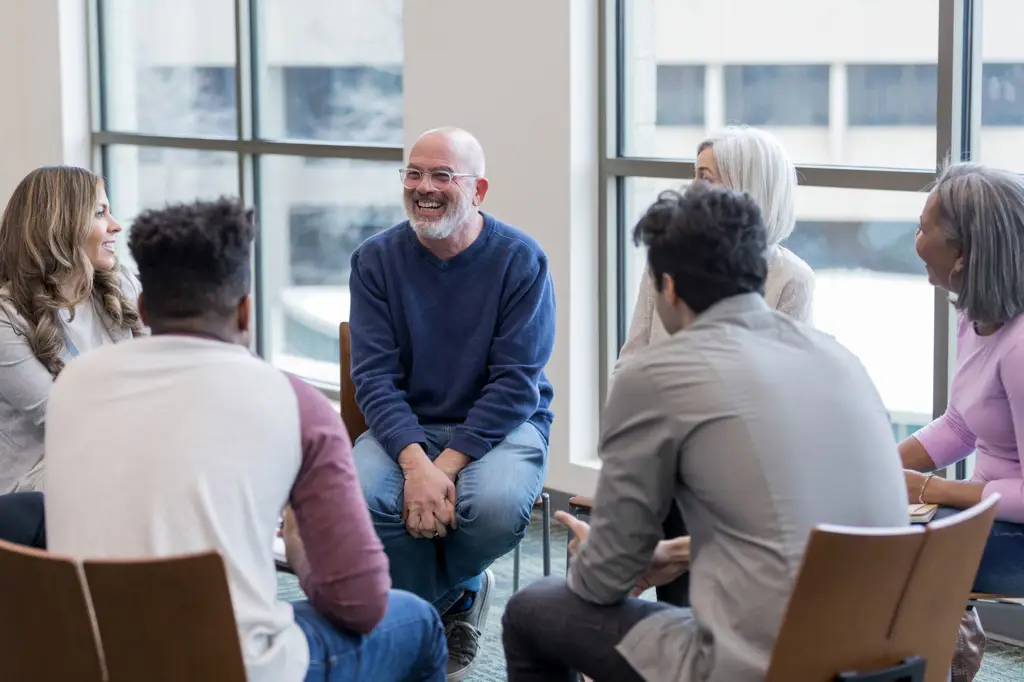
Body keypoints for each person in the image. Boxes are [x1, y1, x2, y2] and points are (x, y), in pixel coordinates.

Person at [502, 184, 908, 682]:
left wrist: (594, 560)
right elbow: (800, 524)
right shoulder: (841, 359)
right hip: (876, 655)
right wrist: (677, 551)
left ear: (667, 288)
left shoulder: (656, 374)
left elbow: (602, 581)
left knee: (532, 609)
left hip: (761, 664)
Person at [44, 198, 446, 682]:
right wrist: (298, 544)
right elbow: (359, 604)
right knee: (418, 621)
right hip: (227, 666)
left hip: (88, 658)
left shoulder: (73, 383)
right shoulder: (297, 405)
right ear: (245, 311)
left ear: (144, 307)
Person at [349, 127, 555, 681]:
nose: (425, 187)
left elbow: (516, 385)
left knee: (490, 507)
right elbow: (372, 376)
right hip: (406, 428)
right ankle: (451, 603)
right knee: (365, 500)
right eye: (414, 173)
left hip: (503, 427)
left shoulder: (520, 260)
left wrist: (443, 468)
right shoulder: (375, 260)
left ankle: (435, 602)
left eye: (443, 175)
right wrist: (416, 462)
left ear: (478, 189)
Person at [900, 162, 1024, 596]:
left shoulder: (1020, 346)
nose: (915, 241)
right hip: (987, 508)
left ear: (962, 256)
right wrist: (881, 465)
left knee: (884, 553)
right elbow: (961, 425)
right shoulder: (975, 314)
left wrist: (933, 489)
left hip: (1017, 531)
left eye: (922, 229)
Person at [0, 165, 144, 493]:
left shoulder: (120, 285)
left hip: (115, 465)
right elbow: (64, 420)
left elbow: (160, 377)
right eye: (100, 213)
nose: (116, 225)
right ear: (60, 225)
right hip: (35, 492)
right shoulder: (5, 318)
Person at [619, 126, 814, 364]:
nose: (691, 188)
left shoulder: (792, 279)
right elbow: (630, 359)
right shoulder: (666, 256)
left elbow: (784, 378)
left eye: (705, 177)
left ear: (745, 189)